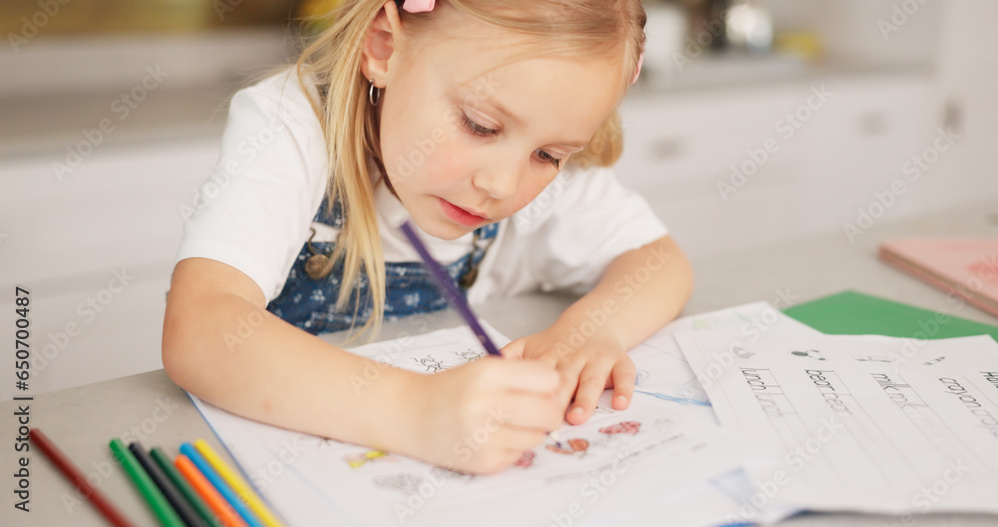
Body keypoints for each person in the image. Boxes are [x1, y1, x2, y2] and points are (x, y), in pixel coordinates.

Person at [162, 0, 693, 475]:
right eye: (480, 125)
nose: (502, 184)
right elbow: (202, 331)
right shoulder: (292, 126)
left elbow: (660, 262)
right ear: (384, 46)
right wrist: (418, 413)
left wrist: (589, 329)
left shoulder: (541, 165)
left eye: (549, 156)